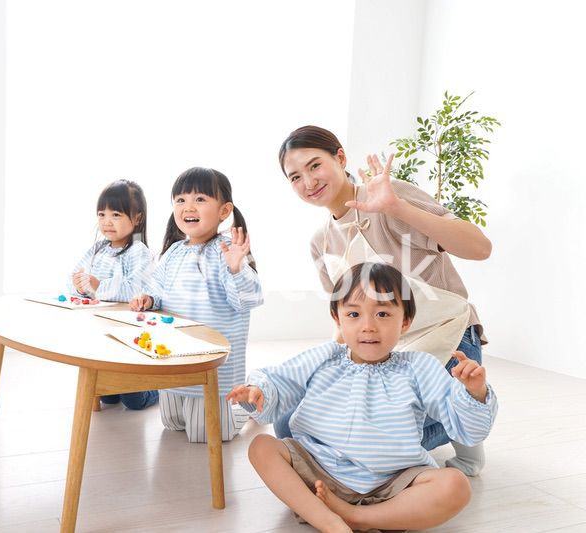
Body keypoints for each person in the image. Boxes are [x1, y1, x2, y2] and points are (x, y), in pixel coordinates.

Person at [276, 125, 492, 475]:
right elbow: (344, 324)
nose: (308, 182)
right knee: (288, 424)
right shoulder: (321, 243)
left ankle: (464, 416)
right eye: (295, 177)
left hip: (445, 337)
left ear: (340, 158)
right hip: (380, 349)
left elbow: (480, 248)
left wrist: (397, 207)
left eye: (315, 166)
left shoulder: (389, 196)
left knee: (378, 438)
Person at [227, 263, 497, 533]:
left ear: (405, 321)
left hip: (393, 483)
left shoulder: (419, 367)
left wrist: (474, 393)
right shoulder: (324, 357)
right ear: (338, 319)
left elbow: (465, 425)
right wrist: (259, 391)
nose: (368, 327)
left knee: (456, 486)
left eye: (382, 314)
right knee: (261, 447)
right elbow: (281, 379)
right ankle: (328, 520)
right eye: (354, 314)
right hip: (320, 472)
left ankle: (358, 517)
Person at [130, 167, 263, 442]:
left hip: (214, 368)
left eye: (200, 199)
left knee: (208, 434)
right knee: (173, 423)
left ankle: (249, 401)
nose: (188, 206)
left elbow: (248, 299)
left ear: (224, 211)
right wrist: (149, 298)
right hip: (175, 361)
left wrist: (237, 268)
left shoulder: (228, 250)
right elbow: (157, 287)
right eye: (180, 200)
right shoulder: (175, 251)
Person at [68, 179, 158, 410]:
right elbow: (76, 278)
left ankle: (159, 389)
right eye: (101, 214)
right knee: (107, 395)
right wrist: (79, 286)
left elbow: (135, 290)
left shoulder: (139, 252)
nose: (107, 222)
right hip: (99, 332)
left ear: (137, 218)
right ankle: (112, 389)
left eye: (116, 214)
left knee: (133, 401)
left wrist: (98, 286)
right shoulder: (97, 249)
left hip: (126, 334)